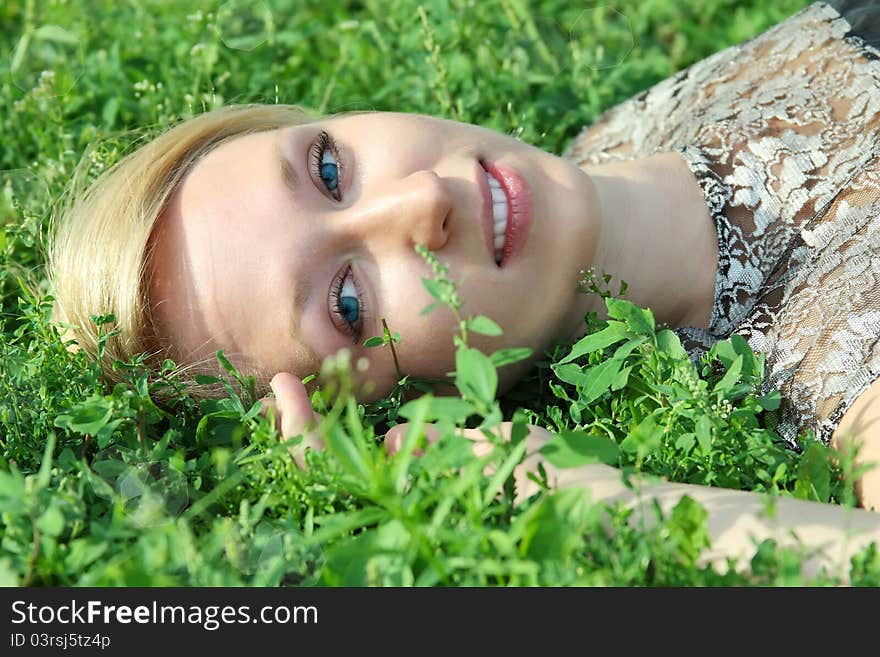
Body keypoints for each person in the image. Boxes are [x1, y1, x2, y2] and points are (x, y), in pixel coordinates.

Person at [47, 0, 880, 580]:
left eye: (329, 168)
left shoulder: (623, 131)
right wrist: (590, 502)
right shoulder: (846, 380)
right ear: (408, 404)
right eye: (347, 302)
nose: (422, 201)